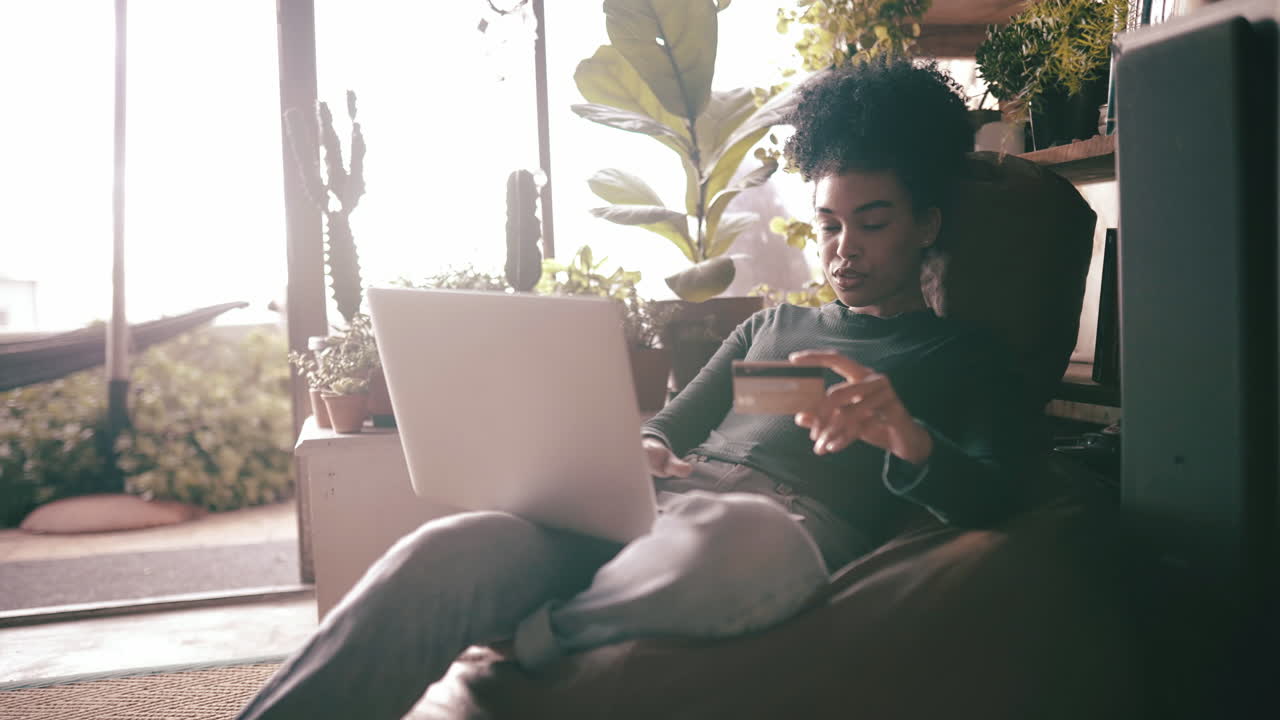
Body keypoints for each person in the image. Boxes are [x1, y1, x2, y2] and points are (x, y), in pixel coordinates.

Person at [235, 58, 1034, 720]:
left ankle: (538, 633)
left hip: (764, 537)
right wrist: (643, 455)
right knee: (444, 549)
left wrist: (905, 436)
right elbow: (677, 428)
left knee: (750, 534)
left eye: (874, 222)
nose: (843, 248)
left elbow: (999, 496)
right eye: (829, 224)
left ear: (927, 224)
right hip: (647, 515)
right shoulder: (771, 330)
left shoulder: (960, 355)